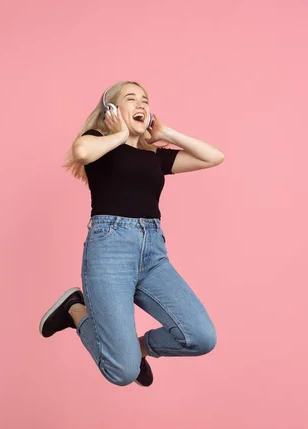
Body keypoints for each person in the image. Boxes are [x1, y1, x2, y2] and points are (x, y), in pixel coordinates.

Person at [39, 81, 224, 387]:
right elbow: (81, 151)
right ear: (110, 110)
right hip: (110, 253)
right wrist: (120, 134)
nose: (141, 104)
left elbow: (213, 156)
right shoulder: (100, 142)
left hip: (152, 254)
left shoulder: (153, 157)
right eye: (131, 98)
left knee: (201, 336)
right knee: (122, 373)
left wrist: (166, 135)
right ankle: (75, 310)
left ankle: (139, 350)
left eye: (145, 100)